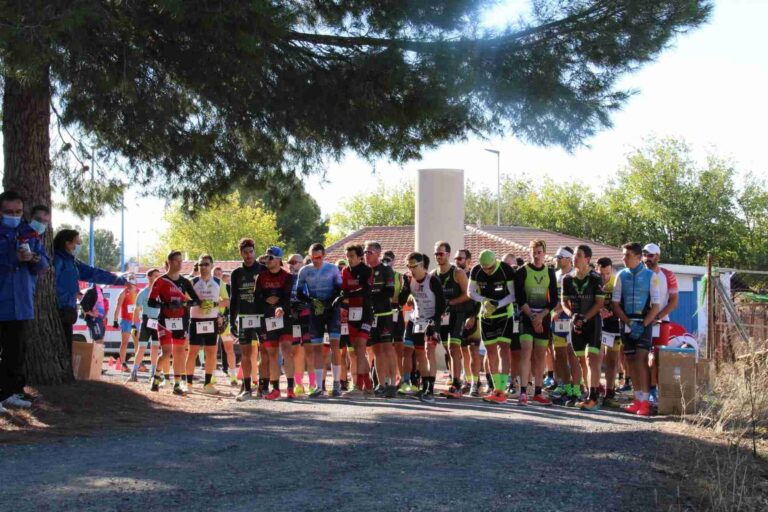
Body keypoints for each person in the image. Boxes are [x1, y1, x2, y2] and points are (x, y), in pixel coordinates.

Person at [0, 191, 49, 411]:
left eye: (18, 212)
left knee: (15, 354)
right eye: (8, 212)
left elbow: (44, 265)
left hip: (20, 304)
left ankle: (10, 393)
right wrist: (13, 258)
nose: (14, 216)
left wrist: (34, 258)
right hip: (2, 299)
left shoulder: (29, 234)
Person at [53, 228, 127, 355]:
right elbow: (54, 282)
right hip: (59, 308)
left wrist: (118, 280)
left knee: (65, 346)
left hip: (68, 308)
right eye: (77, 243)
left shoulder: (72, 261)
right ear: (67, 243)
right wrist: (72, 294)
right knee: (60, 346)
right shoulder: (58, 260)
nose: (79, 246)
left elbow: (93, 273)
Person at [612, 242, 661, 417]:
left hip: (644, 323)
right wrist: (628, 322)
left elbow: (656, 305)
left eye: (627, 255)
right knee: (630, 361)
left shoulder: (651, 276)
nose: (623, 258)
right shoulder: (620, 275)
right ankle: (637, 399)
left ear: (638, 257)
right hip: (626, 323)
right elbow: (615, 304)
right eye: (623, 255)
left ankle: (646, 402)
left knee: (641, 359)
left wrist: (644, 324)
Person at [148, 250, 201, 395]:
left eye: (181, 261)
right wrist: (166, 305)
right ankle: (156, 377)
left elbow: (197, 301)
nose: (180, 263)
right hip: (164, 320)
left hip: (181, 320)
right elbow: (151, 302)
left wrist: (184, 304)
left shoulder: (185, 282)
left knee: (179, 352)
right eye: (177, 261)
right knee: (166, 352)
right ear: (170, 262)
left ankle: (177, 384)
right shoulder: (160, 281)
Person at [468, 250, 516, 404]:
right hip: (486, 315)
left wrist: (497, 304)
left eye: (490, 268)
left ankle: (501, 389)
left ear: (495, 262)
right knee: (490, 351)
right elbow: (470, 292)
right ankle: (496, 388)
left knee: (503, 349)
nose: (487, 271)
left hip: (504, 314)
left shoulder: (505, 269)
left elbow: (513, 294)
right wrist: (484, 300)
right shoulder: (476, 270)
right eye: (485, 268)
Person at [561, 245, 604, 411]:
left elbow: (599, 303)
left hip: (592, 322)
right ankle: (588, 394)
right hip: (575, 322)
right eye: (574, 255)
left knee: (591, 358)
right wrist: (572, 315)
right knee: (580, 361)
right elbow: (564, 302)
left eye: (578, 255)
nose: (574, 258)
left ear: (587, 259)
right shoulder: (567, 279)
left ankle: (594, 397)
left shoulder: (595, 278)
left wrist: (585, 318)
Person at [295, 243, 342, 398]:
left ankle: (336, 383)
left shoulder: (332, 269)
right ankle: (319, 386)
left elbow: (340, 290)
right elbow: (299, 293)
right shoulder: (304, 270)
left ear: (324, 255)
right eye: (313, 258)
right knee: (317, 348)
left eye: (319, 257)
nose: (316, 260)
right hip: (316, 311)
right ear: (309, 256)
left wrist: (330, 302)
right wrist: (312, 301)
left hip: (332, 311)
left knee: (335, 346)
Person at [515, 240, 557, 406]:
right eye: (534, 253)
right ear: (530, 253)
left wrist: (541, 316)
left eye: (539, 252)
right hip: (527, 316)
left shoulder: (550, 272)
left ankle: (538, 392)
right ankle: (523, 392)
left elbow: (553, 299)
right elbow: (520, 298)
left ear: (544, 254)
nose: (537, 255)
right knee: (526, 351)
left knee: (540, 355)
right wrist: (533, 317)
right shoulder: (522, 271)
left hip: (543, 317)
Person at [399, 252, 445, 402]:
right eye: (408, 266)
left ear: (422, 265)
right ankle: (423, 385)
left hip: (431, 319)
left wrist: (434, 323)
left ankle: (430, 388)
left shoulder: (433, 280)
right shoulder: (409, 280)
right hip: (416, 320)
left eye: (414, 266)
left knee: (429, 352)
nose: (411, 269)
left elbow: (442, 305)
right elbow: (401, 301)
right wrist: (405, 285)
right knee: (419, 354)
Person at [229, 238, 266, 401]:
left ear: (254, 252)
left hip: (262, 317)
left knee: (264, 352)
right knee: (246, 353)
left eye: (251, 252)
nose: (249, 255)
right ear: (241, 254)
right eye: (245, 252)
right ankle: (247, 388)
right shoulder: (236, 273)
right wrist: (232, 320)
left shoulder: (263, 270)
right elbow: (234, 298)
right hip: (244, 316)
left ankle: (263, 387)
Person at [642, 243, 679, 405]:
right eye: (644, 255)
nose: (646, 258)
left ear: (657, 257)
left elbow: (674, 301)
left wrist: (658, 316)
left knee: (658, 357)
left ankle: (655, 391)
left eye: (650, 255)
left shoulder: (668, 274)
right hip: (641, 321)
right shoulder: (638, 273)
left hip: (661, 321)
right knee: (641, 357)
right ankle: (642, 390)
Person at [256, 247, 295, 399]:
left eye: (271, 258)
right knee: (272, 354)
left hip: (284, 317)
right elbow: (257, 296)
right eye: (266, 257)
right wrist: (267, 302)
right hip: (268, 318)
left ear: (279, 260)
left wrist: (281, 307)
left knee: (287, 350)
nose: (268, 260)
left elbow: (287, 297)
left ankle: (290, 388)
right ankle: (276, 389)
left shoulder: (288, 277)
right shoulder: (261, 277)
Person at [432, 241, 470, 398]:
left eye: (441, 253)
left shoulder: (457, 273)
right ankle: (453, 379)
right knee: (447, 349)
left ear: (448, 254)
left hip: (457, 314)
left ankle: (457, 384)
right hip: (442, 317)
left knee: (454, 347)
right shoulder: (433, 274)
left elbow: (468, 294)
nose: (438, 256)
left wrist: (451, 302)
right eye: (436, 254)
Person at [336, 244, 374, 397]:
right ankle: (367, 386)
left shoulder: (367, 270)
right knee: (357, 351)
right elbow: (344, 290)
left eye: (352, 256)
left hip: (365, 313)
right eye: (347, 256)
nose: (349, 259)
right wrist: (342, 297)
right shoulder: (345, 271)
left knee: (361, 347)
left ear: (359, 257)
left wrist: (348, 295)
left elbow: (366, 290)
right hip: (351, 314)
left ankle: (360, 386)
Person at [188, 254, 229, 394]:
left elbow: (227, 301)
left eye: (206, 264)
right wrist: (198, 303)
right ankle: (188, 384)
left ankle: (208, 384)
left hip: (211, 320)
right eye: (201, 264)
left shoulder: (218, 282)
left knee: (211, 353)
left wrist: (214, 304)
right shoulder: (192, 281)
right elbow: (184, 300)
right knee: (192, 352)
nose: (203, 267)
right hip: (195, 320)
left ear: (211, 266)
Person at [363, 241, 398, 398]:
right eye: (365, 252)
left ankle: (392, 384)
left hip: (384, 314)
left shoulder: (386, 270)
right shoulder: (364, 271)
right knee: (376, 351)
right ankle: (381, 384)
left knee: (388, 349)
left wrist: (370, 295)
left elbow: (389, 292)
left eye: (369, 252)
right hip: (370, 316)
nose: (366, 255)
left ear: (378, 253)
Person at [551, 246, 581, 406]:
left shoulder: (575, 275)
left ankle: (576, 390)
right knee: (559, 355)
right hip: (556, 320)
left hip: (570, 318)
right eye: (556, 257)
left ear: (569, 259)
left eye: (560, 257)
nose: (557, 259)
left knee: (572, 354)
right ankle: (566, 388)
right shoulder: (555, 275)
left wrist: (560, 310)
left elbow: (574, 299)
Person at [455, 249, 482, 396]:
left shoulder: (475, 276)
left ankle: (475, 383)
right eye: (456, 258)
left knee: (474, 351)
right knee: (462, 351)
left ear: (468, 261)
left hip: (473, 317)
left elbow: (479, 299)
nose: (457, 261)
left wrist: (473, 316)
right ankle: (468, 380)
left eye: (460, 258)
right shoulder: (454, 275)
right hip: (458, 318)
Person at [596, 257, 622, 408]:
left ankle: (610, 393)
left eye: (607, 273)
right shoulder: (594, 281)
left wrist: (612, 312)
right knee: (595, 359)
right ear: (597, 270)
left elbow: (622, 303)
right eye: (602, 273)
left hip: (613, 326)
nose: (605, 277)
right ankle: (594, 389)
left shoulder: (616, 282)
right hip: (597, 326)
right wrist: (599, 310)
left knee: (612, 361)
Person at [131, 268, 162, 384]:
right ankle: (133, 372)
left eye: (159, 276)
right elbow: (136, 310)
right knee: (142, 348)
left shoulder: (160, 292)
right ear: (149, 277)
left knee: (155, 348)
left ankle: (153, 374)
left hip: (157, 322)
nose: (158, 278)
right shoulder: (142, 293)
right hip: (146, 321)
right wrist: (134, 326)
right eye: (155, 276)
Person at [287, 253, 310, 394]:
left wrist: (306, 304)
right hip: (293, 317)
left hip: (307, 315)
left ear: (302, 263)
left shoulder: (309, 277)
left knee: (310, 350)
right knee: (295, 350)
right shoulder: (286, 278)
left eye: (294, 262)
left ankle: (314, 383)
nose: (291, 264)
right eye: (289, 262)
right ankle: (299, 384)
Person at [113, 279, 139, 372]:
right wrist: (115, 320)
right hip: (126, 322)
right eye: (130, 283)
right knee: (125, 342)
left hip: (135, 322)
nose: (131, 285)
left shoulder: (138, 292)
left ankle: (138, 363)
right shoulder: (123, 293)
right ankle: (123, 363)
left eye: (133, 283)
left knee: (137, 341)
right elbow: (118, 306)